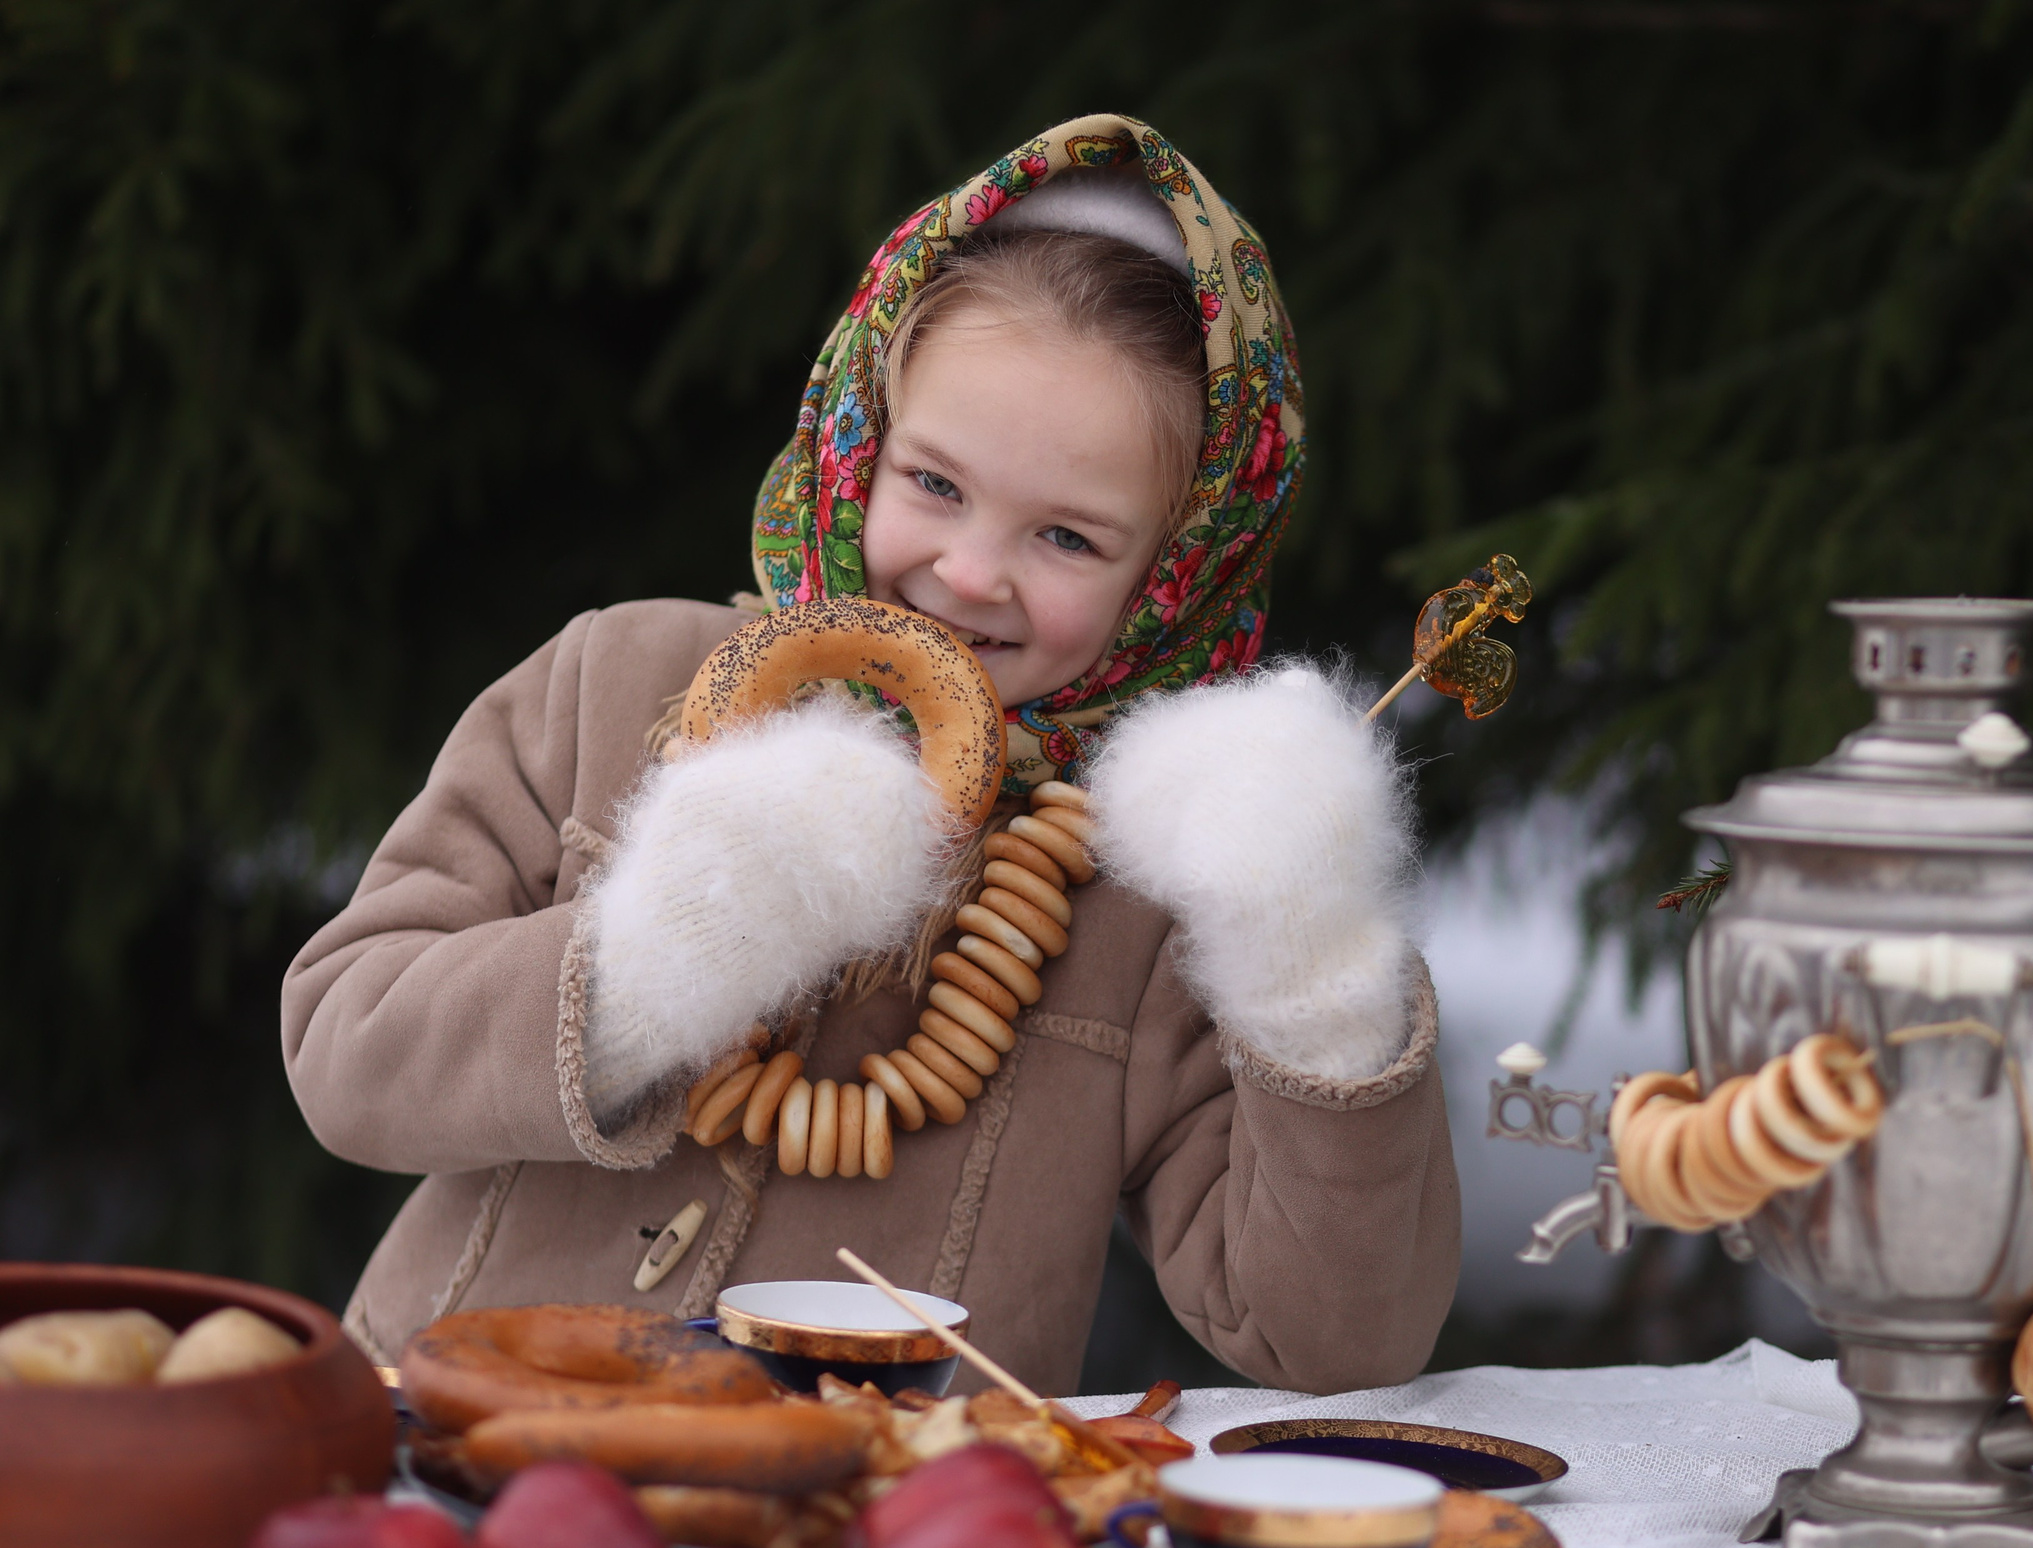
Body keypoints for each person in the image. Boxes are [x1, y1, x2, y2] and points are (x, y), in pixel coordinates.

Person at [281, 115, 1459, 1397]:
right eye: (935, 483)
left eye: (1067, 537)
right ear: (860, 439)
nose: (969, 572)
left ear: (1177, 574)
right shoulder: (610, 682)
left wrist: (1310, 968)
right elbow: (346, 1052)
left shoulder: (1161, 876)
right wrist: (660, 955)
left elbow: (1333, 1341)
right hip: (450, 1443)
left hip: (892, 1499)